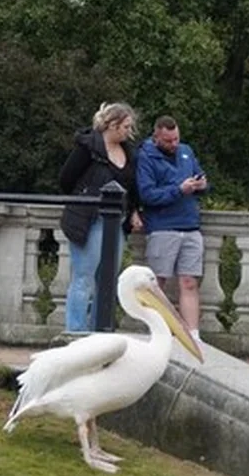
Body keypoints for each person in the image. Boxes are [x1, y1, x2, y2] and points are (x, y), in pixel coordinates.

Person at [59, 102, 143, 333]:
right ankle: (75, 333)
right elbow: (66, 179)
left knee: (107, 280)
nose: (129, 131)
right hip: (90, 219)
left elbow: (131, 185)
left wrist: (134, 211)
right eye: (126, 126)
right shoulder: (88, 147)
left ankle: (100, 330)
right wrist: (86, 199)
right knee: (83, 277)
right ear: (113, 125)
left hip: (117, 221)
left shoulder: (129, 151)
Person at [136, 115, 209, 340]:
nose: (174, 144)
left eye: (176, 139)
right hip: (162, 227)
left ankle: (193, 335)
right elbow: (147, 194)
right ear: (156, 136)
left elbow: (201, 175)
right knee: (157, 283)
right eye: (168, 141)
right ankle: (158, 333)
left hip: (190, 225)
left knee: (189, 282)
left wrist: (202, 184)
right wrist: (178, 190)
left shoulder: (186, 151)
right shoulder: (146, 156)